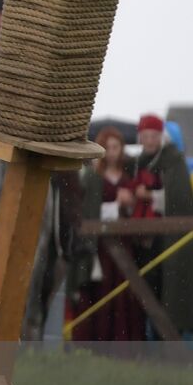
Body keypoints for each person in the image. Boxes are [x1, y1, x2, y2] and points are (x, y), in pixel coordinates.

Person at [67, 127, 145, 341]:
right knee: (100, 291)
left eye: (115, 147)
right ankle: (100, 341)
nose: (111, 152)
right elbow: (89, 211)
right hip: (100, 246)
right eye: (107, 148)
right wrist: (115, 204)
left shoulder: (129, 176)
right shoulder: (93, 178)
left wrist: (131, 203)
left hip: (125, 243)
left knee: (125, 292)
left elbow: (134, 212)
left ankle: (123, 342)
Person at [134, 114, 193, 339]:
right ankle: (153, 341)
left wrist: (149, 195)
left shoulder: (173, 159)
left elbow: (179, 199)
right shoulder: (140, 162)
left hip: (170, 237)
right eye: (145, 136)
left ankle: (170, 340)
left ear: (160, 137)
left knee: (173, 290)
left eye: (154, 136)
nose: (150, 140)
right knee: (150, 289)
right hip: (147, 238)